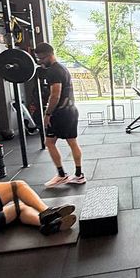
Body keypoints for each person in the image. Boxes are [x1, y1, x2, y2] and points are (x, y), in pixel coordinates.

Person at [33, 42, 86, 188]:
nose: (40, 62)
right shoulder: (62, 68)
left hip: (61, 113)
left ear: (49, 55)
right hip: (70, 111)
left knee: (50, 143)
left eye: (41, 58)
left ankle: (63, 175)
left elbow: (55, 95)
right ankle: (77, 175)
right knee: (69, 142)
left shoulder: (54, 71)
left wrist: (47, 114)